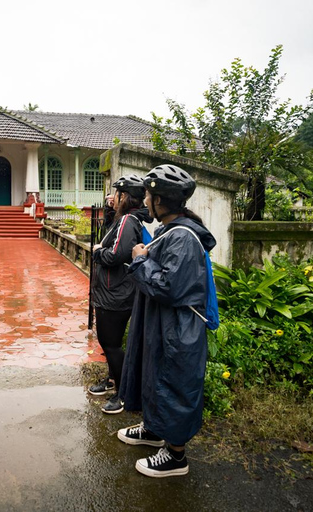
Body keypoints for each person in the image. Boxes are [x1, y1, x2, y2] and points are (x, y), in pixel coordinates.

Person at [117, 164, 216, 478]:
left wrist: (139, 259)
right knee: (154, 374)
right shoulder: (172, 231)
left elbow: (166, 287)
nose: (144, 200)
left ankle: (175, 456)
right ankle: (154, 429)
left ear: (160, 200)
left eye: (147, 194)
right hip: (163, 324)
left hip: (177, 328)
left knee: (172, 383)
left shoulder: (182, 238)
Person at [88, 174, 149, 414]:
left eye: (116, 194)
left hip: (115, 293)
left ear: (124, 196)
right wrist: (108, 209)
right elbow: (109, 234)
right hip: (115, 291)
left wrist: (97, 252)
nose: (112, 197)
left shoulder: (128, 221)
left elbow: (116, 255)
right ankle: (113, 380)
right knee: (109, 343)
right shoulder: (125, 219)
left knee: (111, 344)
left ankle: (123, 393)